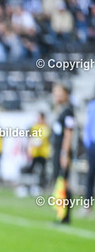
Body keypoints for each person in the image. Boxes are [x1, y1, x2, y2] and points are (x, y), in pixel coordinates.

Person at [50, 83, 75, 224]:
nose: (56, 95)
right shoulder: (60, 111)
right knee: (60, 183)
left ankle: (65, 217)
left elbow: (68, 134)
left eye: (59, 92)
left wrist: (64, 154)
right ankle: (61, 215)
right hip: (58, 152)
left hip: (63, 152)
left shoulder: (68, 112)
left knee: (64, 183)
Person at [82, 96, 95, 217]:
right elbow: (88, 126)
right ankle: (88, 206)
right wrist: (88, 144)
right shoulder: (92, 105)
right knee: (91, 175)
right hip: (93, 145)